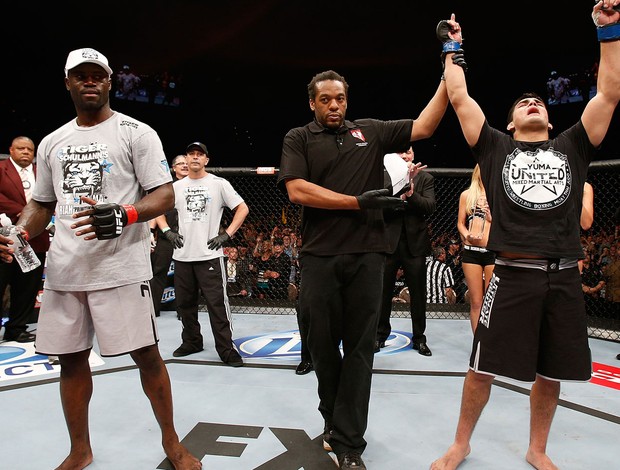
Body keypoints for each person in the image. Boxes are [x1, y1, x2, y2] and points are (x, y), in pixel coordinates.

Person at [431, 5, 620, 469]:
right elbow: (459, 98)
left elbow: (610, 94)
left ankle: (537, 449)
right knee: (481, 368)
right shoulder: (495, 147)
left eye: (540, 101)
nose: (533, 102)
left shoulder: (572, 145)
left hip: (563, 279)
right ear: (512, 123)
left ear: (551, 122)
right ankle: (461, 443)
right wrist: (452, 46)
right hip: (513, 274)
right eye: (523, 102)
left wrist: (609, 30)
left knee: (551, 370)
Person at [0, 48, 201, 469]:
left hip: (120, 267)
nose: (90, 82)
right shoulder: (53, 142)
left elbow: (163, 194)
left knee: (147, 355)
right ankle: (80, 450)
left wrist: (125, 213)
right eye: (81, 76)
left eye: (98, 76)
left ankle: (172, 444)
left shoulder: (136, 132)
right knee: (71, 362)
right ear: (68, 83)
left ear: (109, 82)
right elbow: (40, 203)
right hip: (65, 269)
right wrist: (20, 231)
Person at [277, 68, 449, 469]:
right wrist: (358, 202)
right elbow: (297, 189)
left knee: (359, 349)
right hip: (319, 255)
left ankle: (349, 441)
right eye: (325, 100)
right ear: (312, 103)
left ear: (346, 100)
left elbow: (424, 125)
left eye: (339, 98)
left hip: (369, 255)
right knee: (320, 345)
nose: (334, 105)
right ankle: (334, 420)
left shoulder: (371, 131)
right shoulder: (298, 137)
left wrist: (447, 71)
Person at [171, 141, 249, 367]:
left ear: (206, 159)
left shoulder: (218, 183)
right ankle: (192, 341)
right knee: (185, 305)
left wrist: (227, 235)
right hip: (183, 256)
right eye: (191, 154)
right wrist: (166, 231)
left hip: (209, 256)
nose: (195, 157)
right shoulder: (176, 187)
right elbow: (156, 209)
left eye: (199, 154)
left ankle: (226, 349)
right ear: (186, 159)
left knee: (217, 305)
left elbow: (242, 208)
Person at [376, 146, 436, 356]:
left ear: (413, 154)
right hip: (388, 243)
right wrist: (399, 197)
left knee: (418, 294)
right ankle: (379, 335)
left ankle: (419, 338)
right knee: (383, 292)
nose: (405, 156)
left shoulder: (425, 178)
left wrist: (411, 195)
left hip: (415, 244)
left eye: (408, 152)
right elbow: (378, 207)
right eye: (400, 153)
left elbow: (429, 206)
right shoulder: (382, 176)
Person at [0, 136, 50, 342]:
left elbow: (50, 200)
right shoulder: (1, 169)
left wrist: (37, 217)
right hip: (4, 239)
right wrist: (28, 212)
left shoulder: (42, 173)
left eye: (30, 149)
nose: (26, 152)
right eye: (21, 148)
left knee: (27, 287)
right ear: (11, 150)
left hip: (35, 239)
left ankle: (17, 328)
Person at [149, 154, 188, 316]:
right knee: (158, 272)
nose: (184, 166)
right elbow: (156, 210)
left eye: (186, 163)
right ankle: (152, 309)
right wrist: (151, 232)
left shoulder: (195, 185)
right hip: (166, 236)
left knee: (185, 275)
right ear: (174, 168)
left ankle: (183, 311)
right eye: (180, 164)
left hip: (187, 238)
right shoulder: (166, 187)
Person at [457, 164, 495, 332]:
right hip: (471, 253)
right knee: (476, 301)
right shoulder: (467, 195)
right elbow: (460, 223)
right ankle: (477, 344)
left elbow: (506, 225)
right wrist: (467, 237)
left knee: (492, 302)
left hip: (492, 252)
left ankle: (490, 343)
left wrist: (491, 217)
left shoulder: (498, 195)